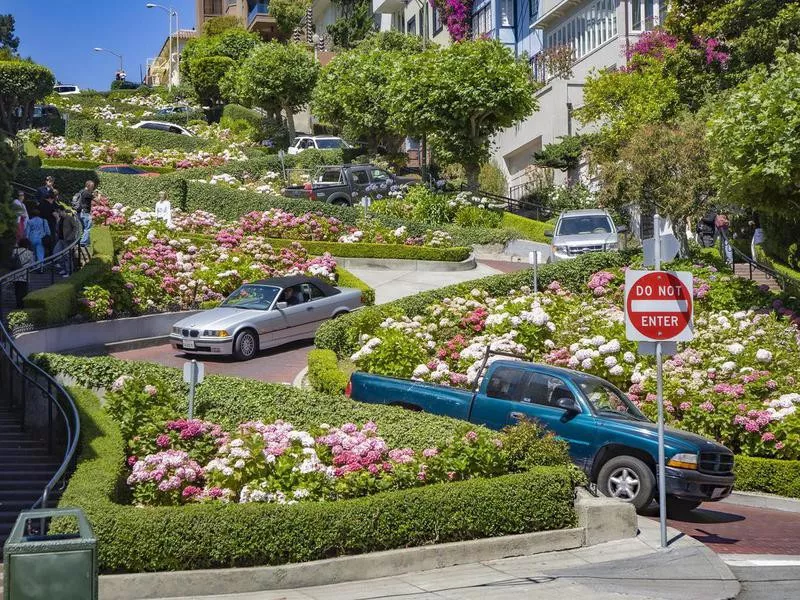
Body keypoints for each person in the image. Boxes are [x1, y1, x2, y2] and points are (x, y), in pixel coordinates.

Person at [53, 206, 79, 277]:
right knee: (56, 253)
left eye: (59, 212)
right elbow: (57, 228)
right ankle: (64, 268)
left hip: (67, 240)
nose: (58, 214)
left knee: (67, 256)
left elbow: (75, 227)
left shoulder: (70, 218)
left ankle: (69, 271)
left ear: (62, 211)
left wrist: (70, 237)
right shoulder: (60, 219)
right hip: (61, 239)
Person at [11, 239, 35, 308]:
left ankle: (18, 304)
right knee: (24, 290)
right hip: (24, 275)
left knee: (17, 290)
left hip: (15, 274)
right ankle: (22, 304)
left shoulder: (14, 251)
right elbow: (32, 263)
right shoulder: (29, 252)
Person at [38, 189, 58, 256]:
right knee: (52, 240)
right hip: (50, 225)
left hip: (41, 224)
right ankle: (51, 255)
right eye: (52, 200)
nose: (53, 201)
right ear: (50, 198)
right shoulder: (50, 205)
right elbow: (55, 215)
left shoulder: (40, 203)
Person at [77, 180, 95, 247]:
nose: (93, 188)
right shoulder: (87, 193)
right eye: (92, 186)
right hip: (85, 212)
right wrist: (99, 195)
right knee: (88, 227)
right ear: (88, 186)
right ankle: (83, 242)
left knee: (82, 227)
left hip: (79, 212)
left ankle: (82, 241)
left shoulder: (81, 191)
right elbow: (98, 200)